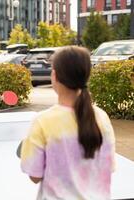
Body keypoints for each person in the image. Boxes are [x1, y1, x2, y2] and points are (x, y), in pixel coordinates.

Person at [19, 46, 115, 199]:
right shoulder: (102, 117)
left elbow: (34, 176)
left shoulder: (43, 121)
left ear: (54, 75)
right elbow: (107, 167)